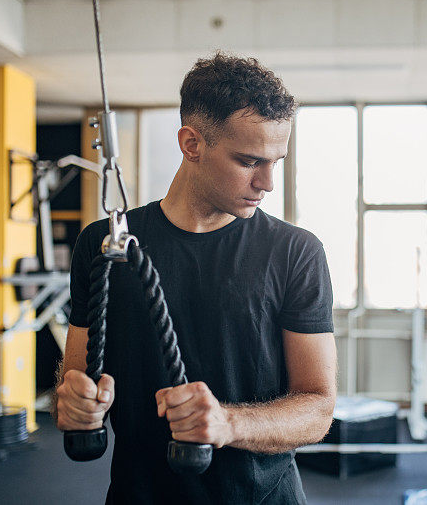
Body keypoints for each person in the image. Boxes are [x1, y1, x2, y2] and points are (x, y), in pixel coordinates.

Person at [54, 53, 337, 504]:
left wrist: (227, 423)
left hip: (263, 496)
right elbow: (74, 376)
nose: (267, 183)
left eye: (276, 161)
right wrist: (71, 403)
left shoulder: (295, 252)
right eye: (249, 161)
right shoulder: (105, 245)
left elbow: (317, 409)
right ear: (192, 144)